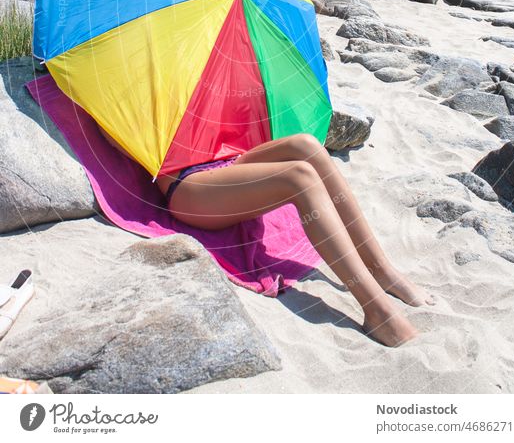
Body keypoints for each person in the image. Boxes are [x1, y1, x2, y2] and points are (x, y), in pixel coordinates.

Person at [153, 134, 435, 348]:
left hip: (225, 160)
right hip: (189, 183)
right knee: (300, 177)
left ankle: (380, 267)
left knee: (307, 145)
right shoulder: (141, 75)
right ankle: (377, 310)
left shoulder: (205, 68)